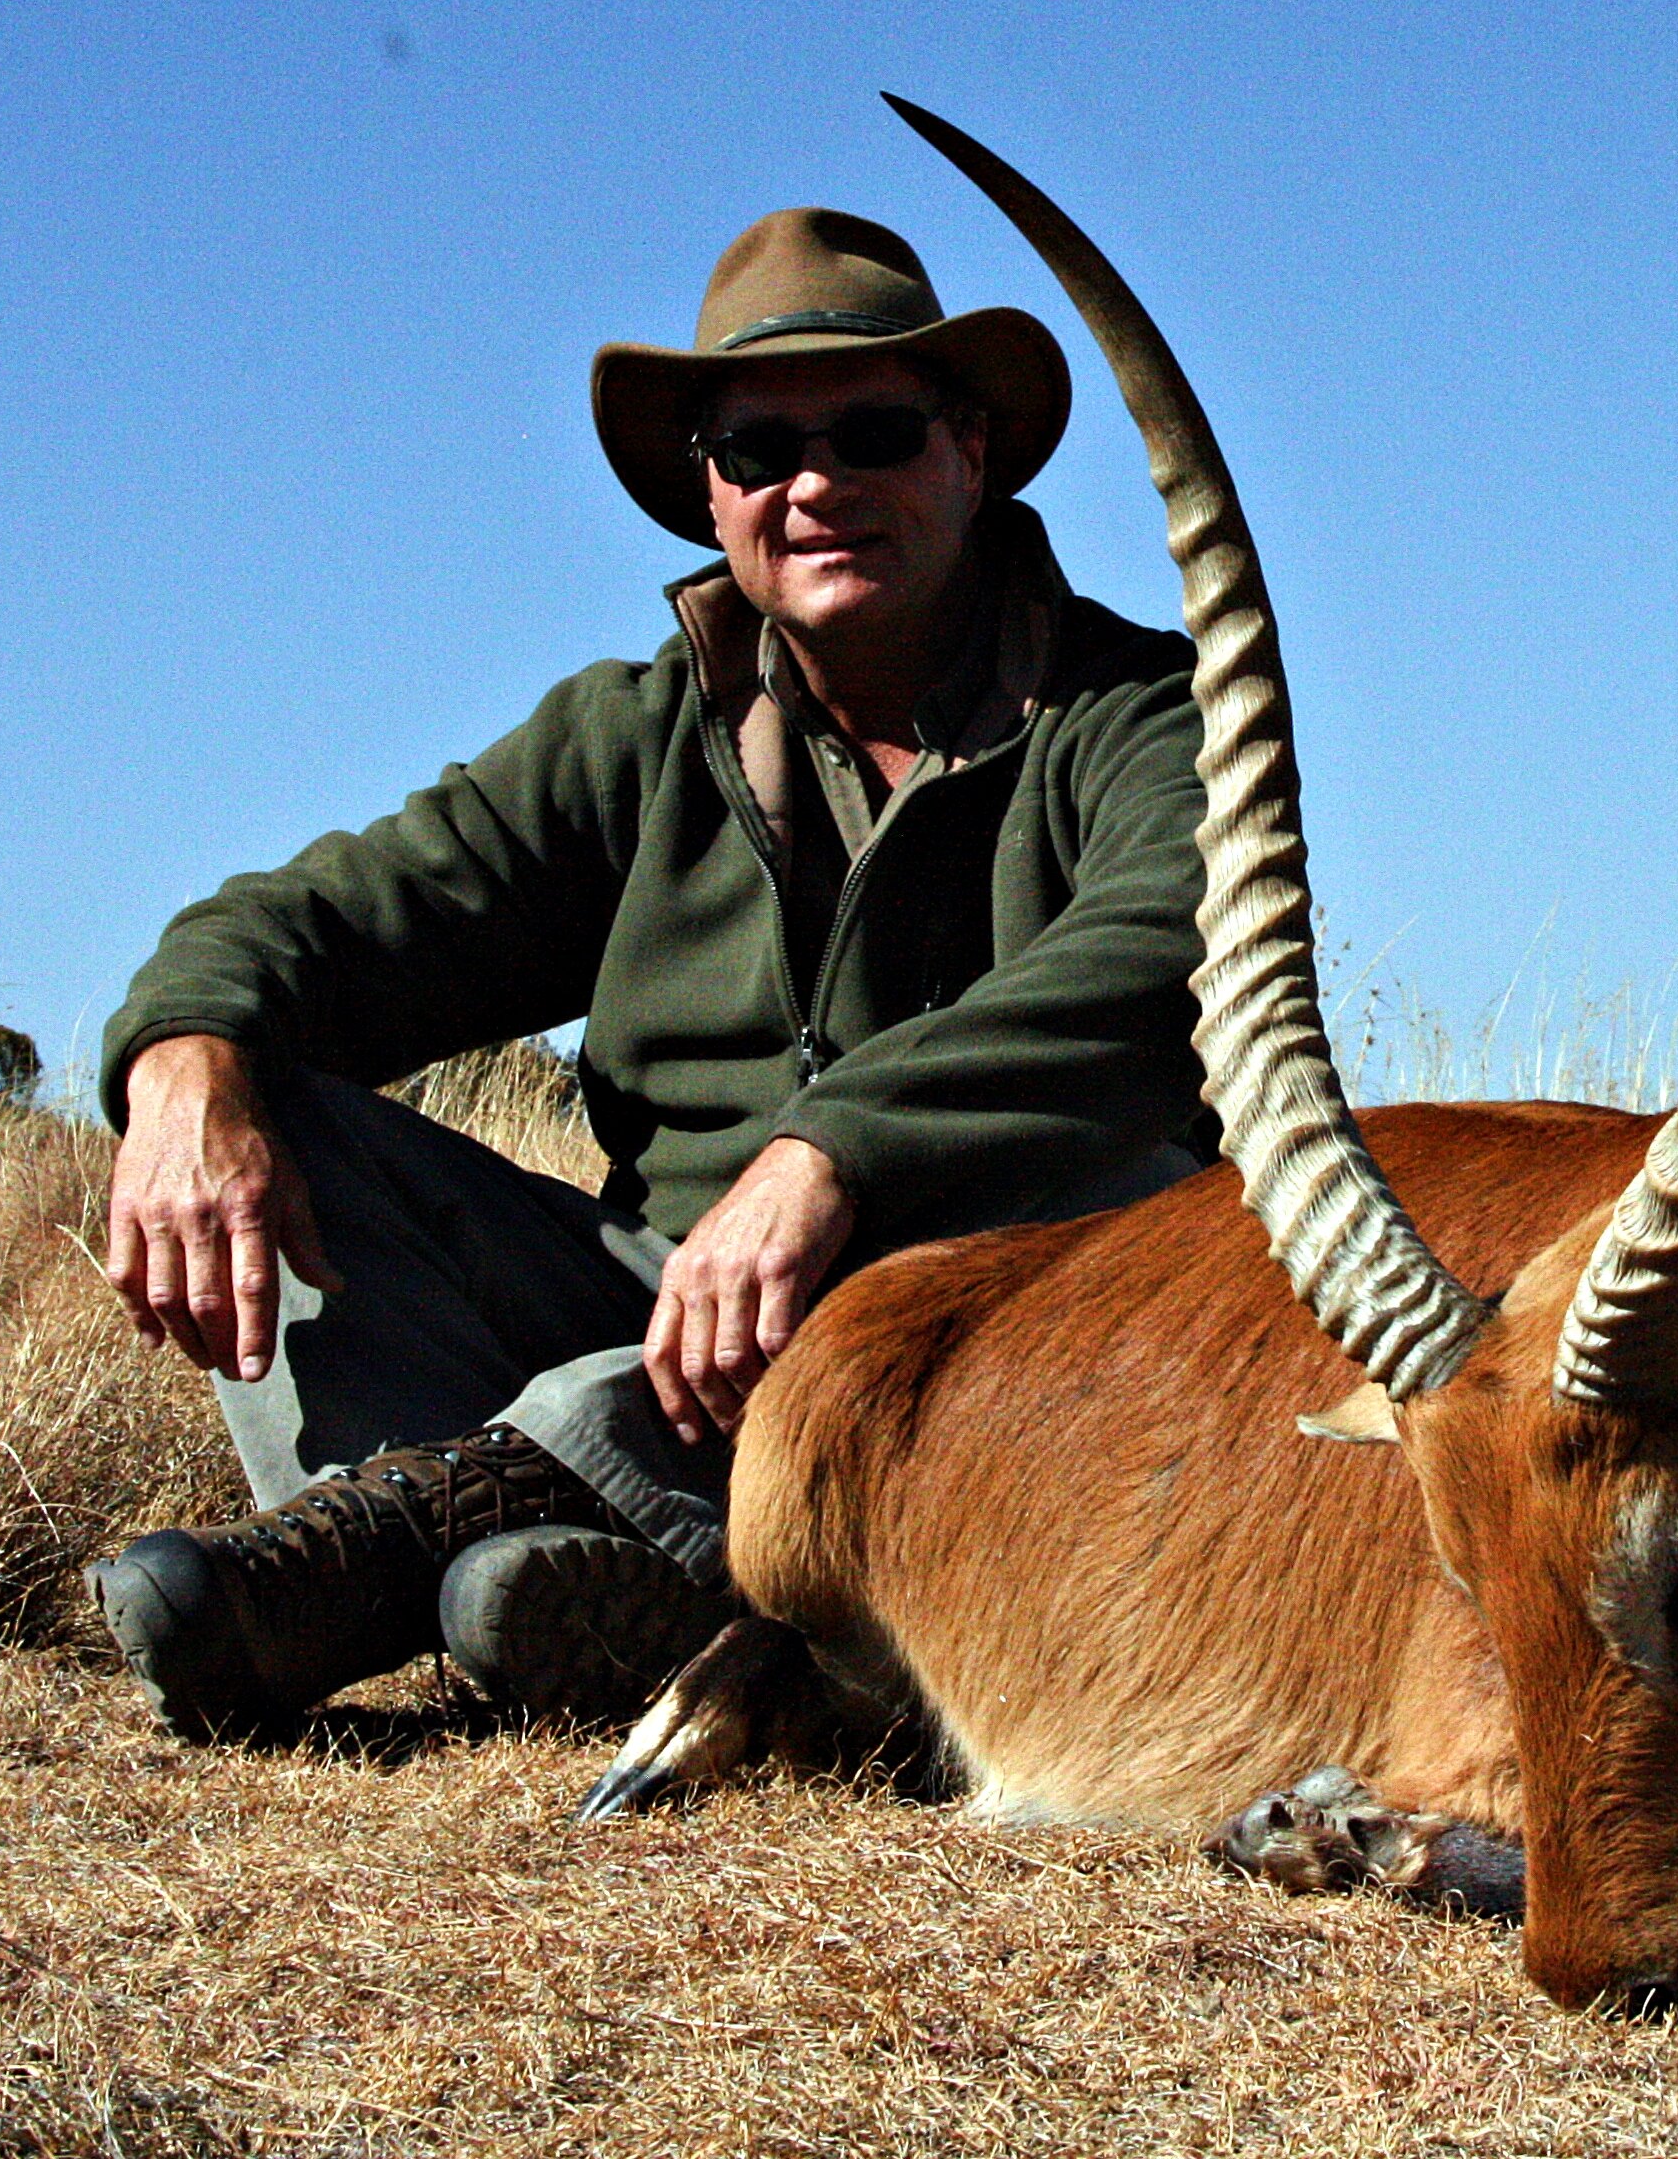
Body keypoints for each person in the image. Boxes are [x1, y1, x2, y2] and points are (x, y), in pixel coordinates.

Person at [84, 208, 1213, 1738]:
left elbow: (1163, 952)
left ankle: (497, 1562)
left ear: (970, 452)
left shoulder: (1143, 710)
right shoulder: (634, 733)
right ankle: (603, 1593)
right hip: (678, 1332)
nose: (814, 486)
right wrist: (185, 1062)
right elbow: (331, 918)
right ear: (711, 490)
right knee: (278, 1112)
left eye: (873, 432)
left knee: (601, 1403)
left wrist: (832, 1156)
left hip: (996, 1354)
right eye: (760, 452)